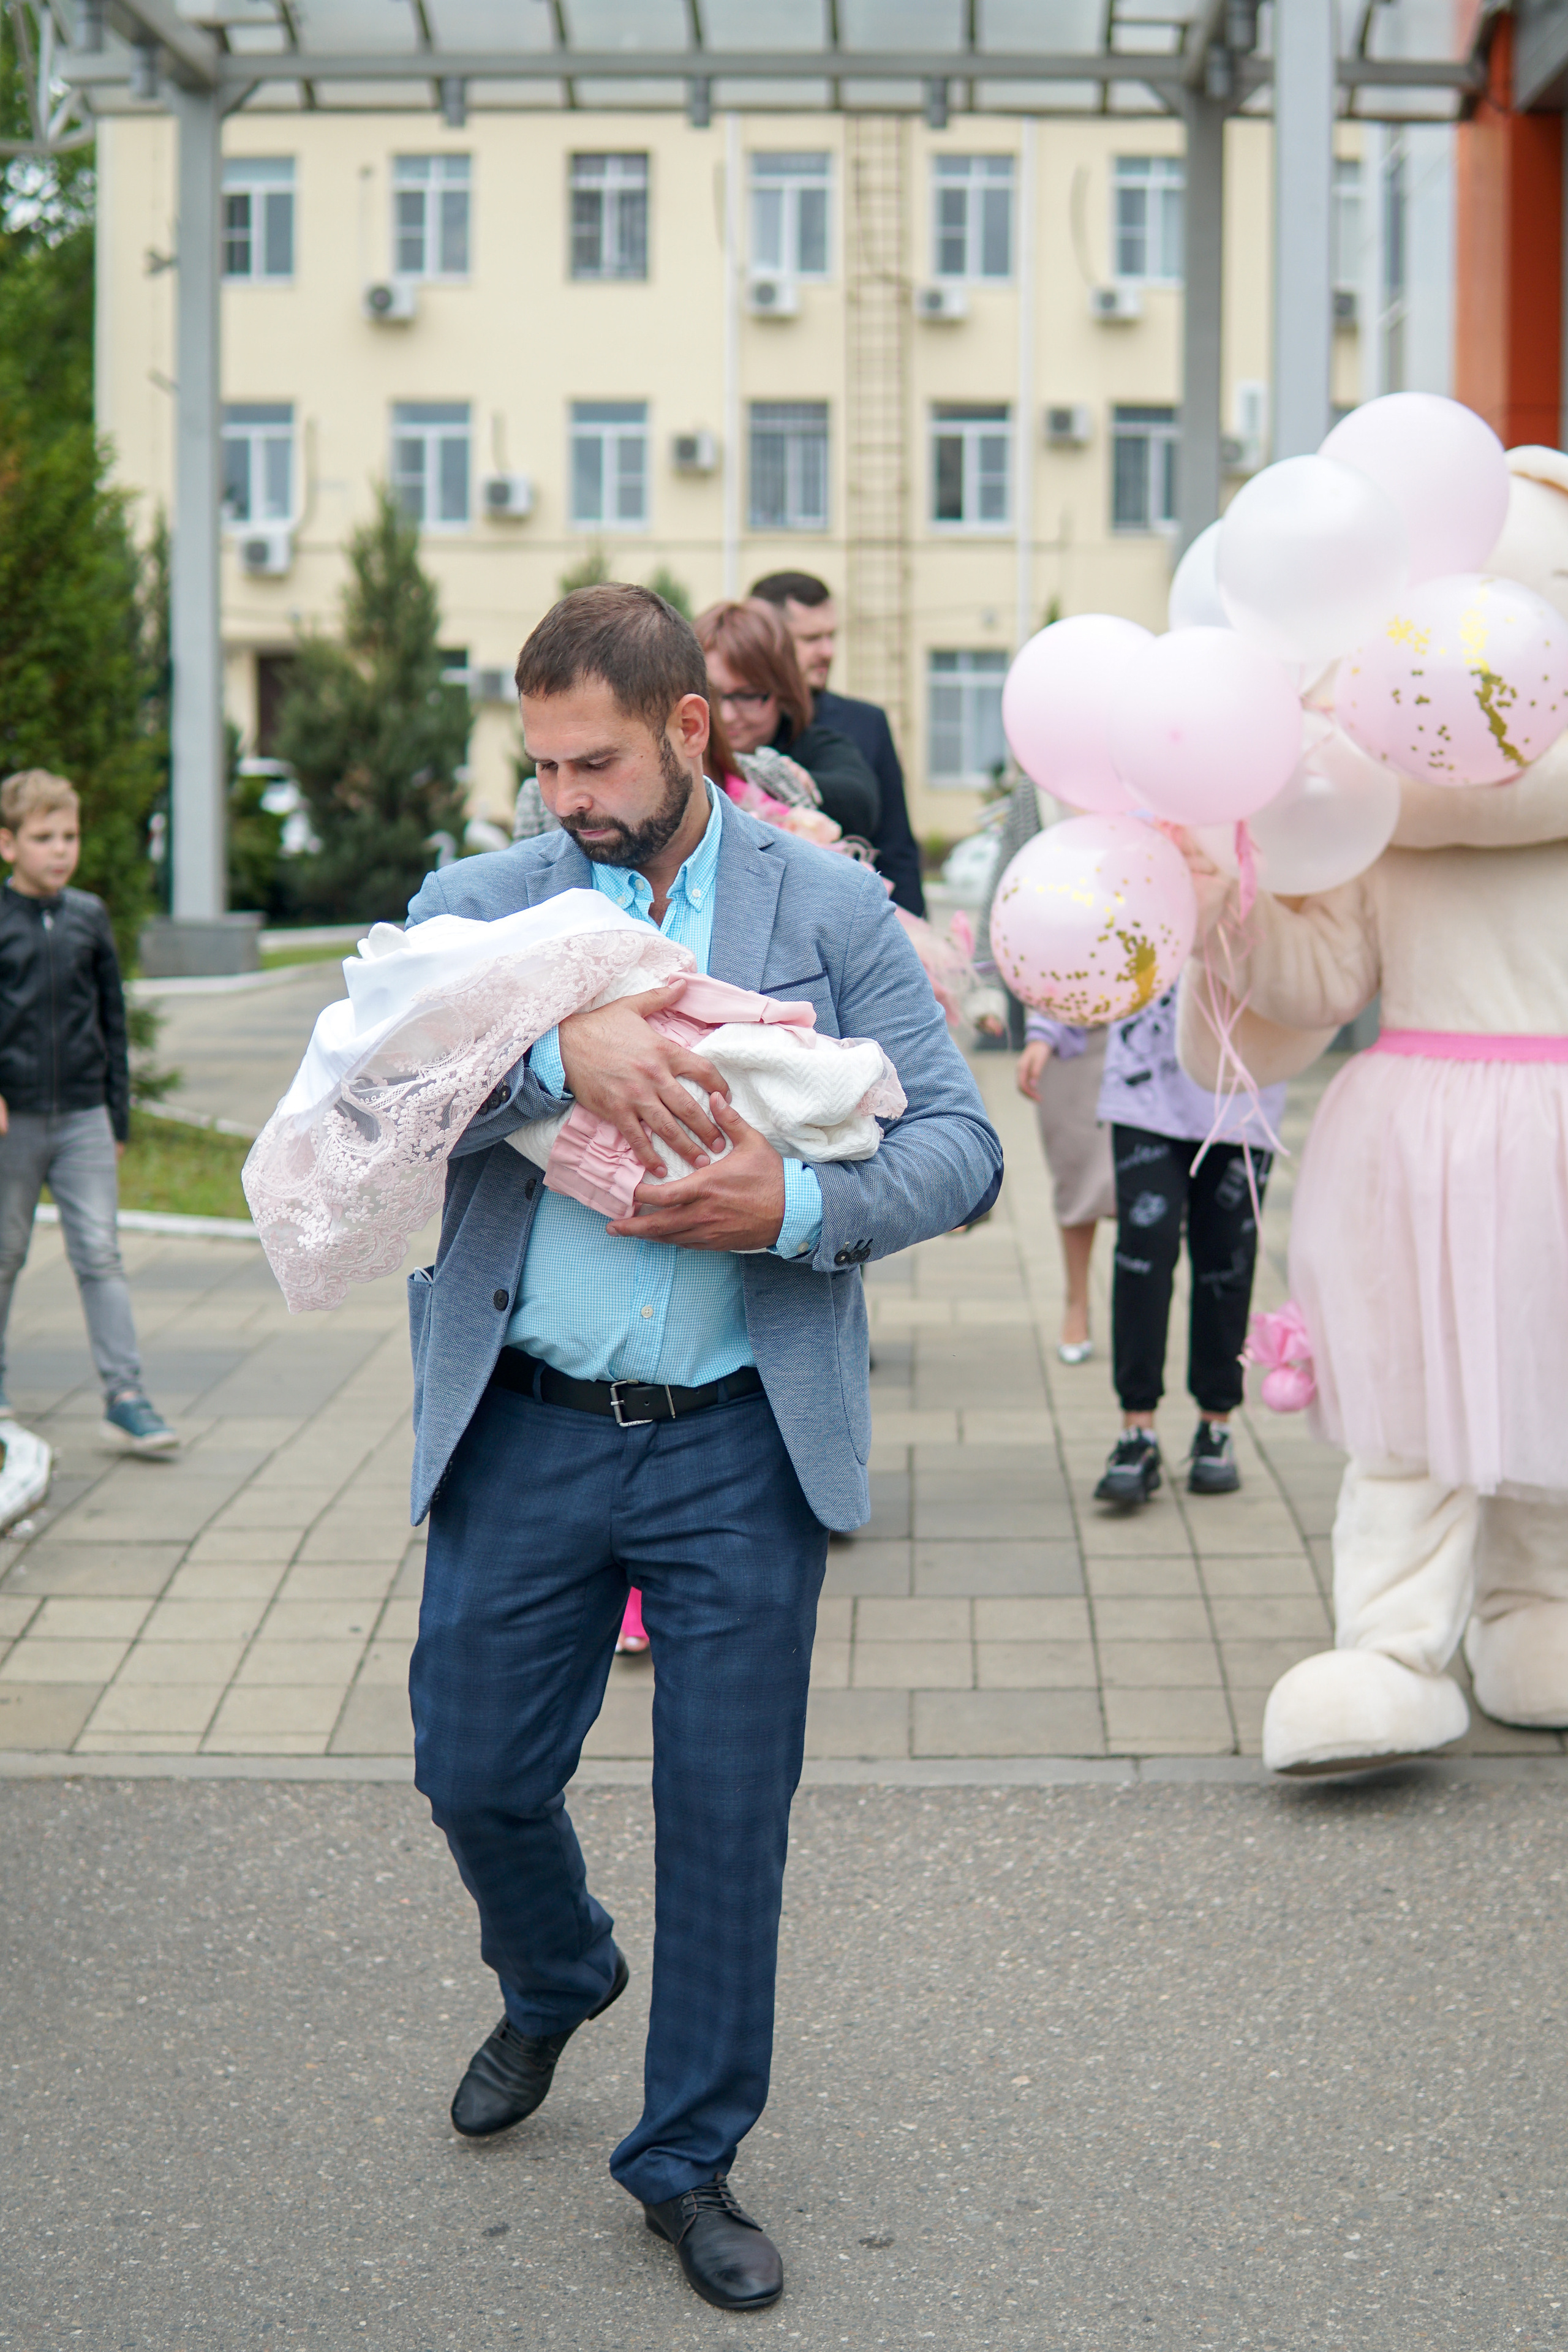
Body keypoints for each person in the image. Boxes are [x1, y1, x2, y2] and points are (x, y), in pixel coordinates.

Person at [402, 586, 1001, 2314]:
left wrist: (798, 1201)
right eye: (543, 766)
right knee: (476, 1774)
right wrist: (546, 1039)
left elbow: (959, 1149)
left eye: (594, 761)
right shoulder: (483, 903)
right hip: (524, 1428)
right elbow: (368, 1084)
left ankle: (686, 2158)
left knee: (728, 1818)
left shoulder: (827, 905)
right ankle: (556, 1970)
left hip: (743, 1442)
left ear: (691, 730)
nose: (564, 799)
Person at [0, 771, 176, 1453]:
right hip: (15, 1123)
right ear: (9, 844)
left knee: (100, 1254)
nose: (60, 850)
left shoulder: (88, 917)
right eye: (44, 838)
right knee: (6, 1254)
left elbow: (112, 1019)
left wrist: (117, 1118)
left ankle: (126, 1394)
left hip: (82, 1120)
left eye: (68, 836)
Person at [1091, 987, 1284, 1509]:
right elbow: (1096, 946)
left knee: (1227, 1262)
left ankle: (1215, 1426)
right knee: (1142, 1257)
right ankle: (1138, 1432)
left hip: (1245, 1093)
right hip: (1144, 1089)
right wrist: (1049, 1032)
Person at [750, 571, 926, 918]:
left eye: (832, 636)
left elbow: (896, 847)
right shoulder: (731, 721)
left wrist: (920, 945)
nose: (828, 651)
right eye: (811, 638)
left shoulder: (866, 724)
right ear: (767, 640)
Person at [694, 600, 881, 845]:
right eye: (712, 696)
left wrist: (797, 783)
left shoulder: (813, 745)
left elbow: (860, 802)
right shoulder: (680, 755)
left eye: (748, 696)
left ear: (783, 691)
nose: (727, 715)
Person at [1015, 1019, 1115, 1362]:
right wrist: (1042, 1033)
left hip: (1153, 1035)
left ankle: (1141, 1311)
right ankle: (1077, 1302)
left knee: (1146, 1188)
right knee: (1077, 1176)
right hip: (1074, 1033)